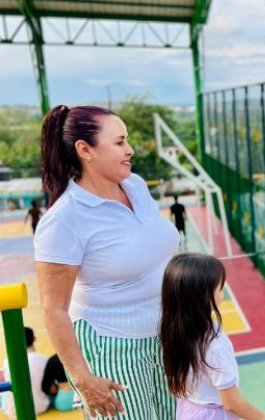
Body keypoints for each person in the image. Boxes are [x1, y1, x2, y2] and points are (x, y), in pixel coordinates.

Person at [35, 105, 180, 418]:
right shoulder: (65, 219)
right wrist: (83, 379)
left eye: (126, 141)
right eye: (119, 143)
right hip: (112, 346)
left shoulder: (136, 187)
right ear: (85, 150)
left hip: (167, 335)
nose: (129, 150)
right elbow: (53, 309)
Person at [160, 253, 265, 420]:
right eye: (220, 287)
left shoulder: (174, 330)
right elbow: (232, 403)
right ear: (203, 297)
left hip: (188, 410)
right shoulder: (214, 343)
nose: (222, 292)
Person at [2, 327, 50, 417]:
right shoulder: (44, 359)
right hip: (41, 406)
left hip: (15, 411)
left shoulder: (8, 361)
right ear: (34, 339)